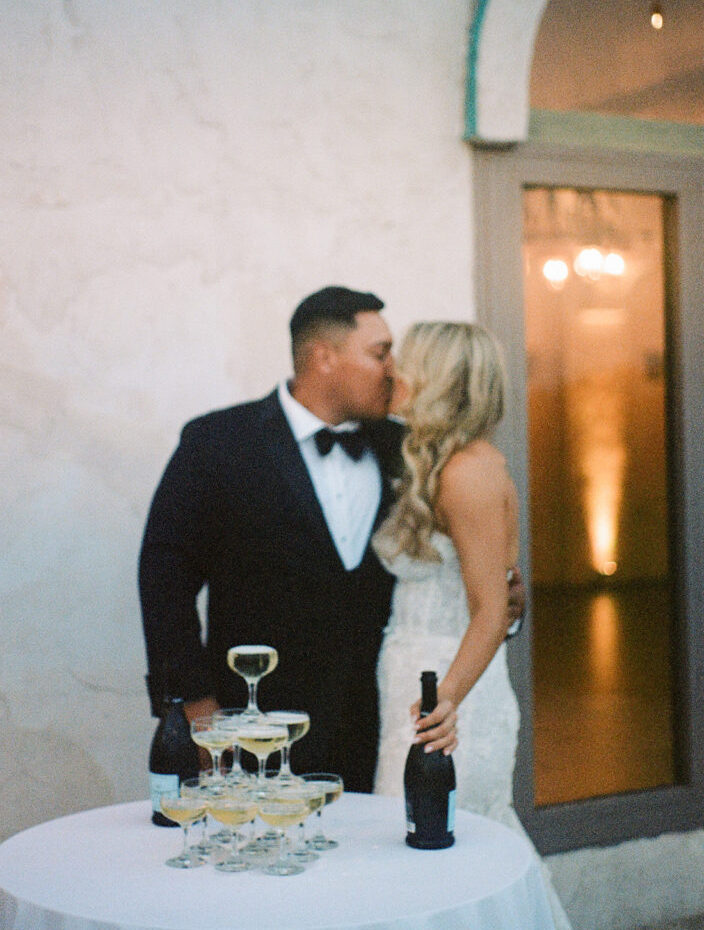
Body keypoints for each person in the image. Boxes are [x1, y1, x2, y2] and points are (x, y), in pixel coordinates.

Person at [139, 287, 455, 793]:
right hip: (256, 726)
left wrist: (507, 600)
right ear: (323, 357)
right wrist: (192, 703)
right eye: (380, 353)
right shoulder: (218, 443)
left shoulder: (404, 450)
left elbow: (454, 568)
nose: (395, 369)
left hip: (379, 726)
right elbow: (164, 576)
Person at [372, 321, 571, 930]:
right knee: (416, 847)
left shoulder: (466, 473)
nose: (391, 372)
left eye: (404, 362)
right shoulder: (437, 462)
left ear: (437, 380)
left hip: (450, 692)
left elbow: (490, 610)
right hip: (418, 679)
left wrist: (445, 704)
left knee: (442, 851)